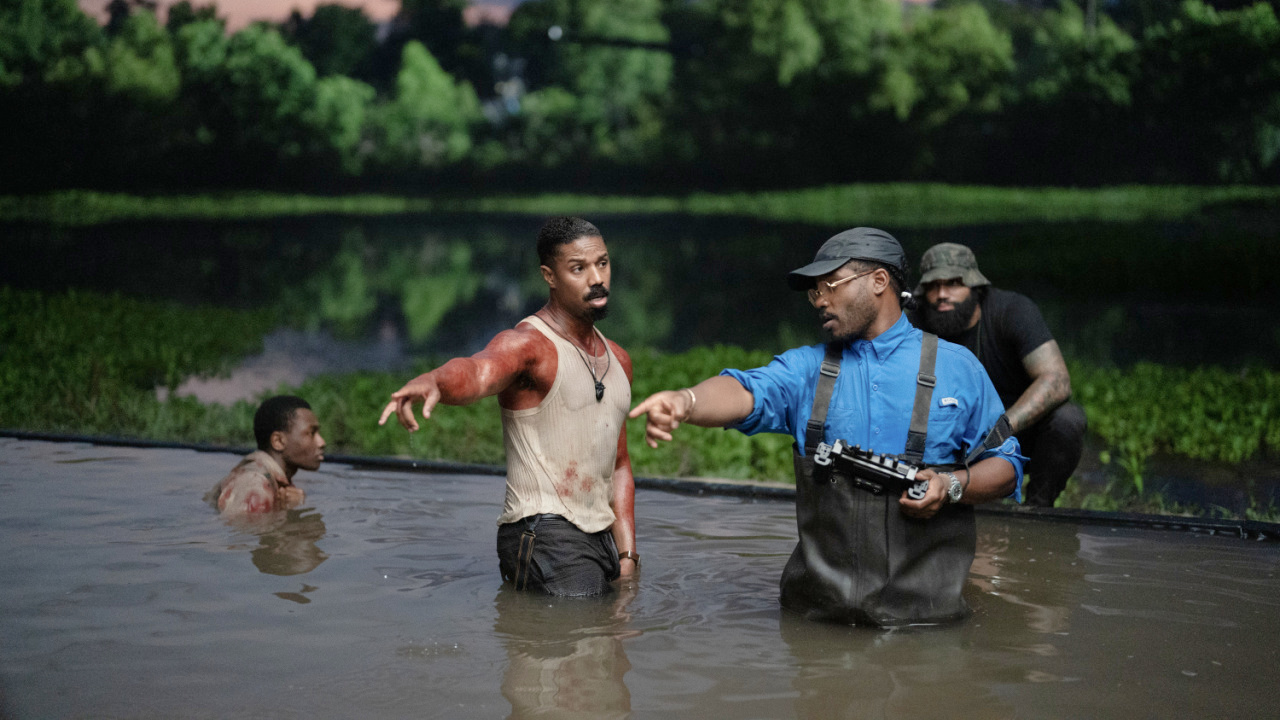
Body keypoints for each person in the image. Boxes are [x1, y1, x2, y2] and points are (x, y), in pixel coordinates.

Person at [629, 227, 1024, 626]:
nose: (819, 300)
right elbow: (746, 391)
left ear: (879, 281)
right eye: (814, 291)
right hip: (814, 620)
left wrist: (951, 486)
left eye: (830, 285)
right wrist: (686, 400)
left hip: (927, 624)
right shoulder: (807, 370)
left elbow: (1007, 466)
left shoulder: (957, 369)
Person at [378, 216, 637, 597]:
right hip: (543, 531)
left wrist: (628, 554)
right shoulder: (528, 345)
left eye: (602, 263)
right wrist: (435, 380)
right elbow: (479, 372)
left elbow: (618, 465)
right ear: (549, 276)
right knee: (583, 638)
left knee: (606, 645)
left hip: (600, 539)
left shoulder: (618, 359)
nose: (596, 278)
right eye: (578, 268)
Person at [911, 242, 1086, 507]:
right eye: (933, 286)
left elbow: (1057, 380)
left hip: (1014, 429)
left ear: (975, 287)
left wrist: (1001, 429)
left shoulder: (1011, 310)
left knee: (1067, 420)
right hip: (949, 433)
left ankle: (1038, 508)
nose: (942, 294)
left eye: (954, 283)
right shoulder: (915, 319)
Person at [206, 395, 326, 514]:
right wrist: (291, 511)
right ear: (278, 441)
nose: (322, 442)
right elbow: (242, 532)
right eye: (311, 433)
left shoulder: (274, 480)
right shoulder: (255, 484)